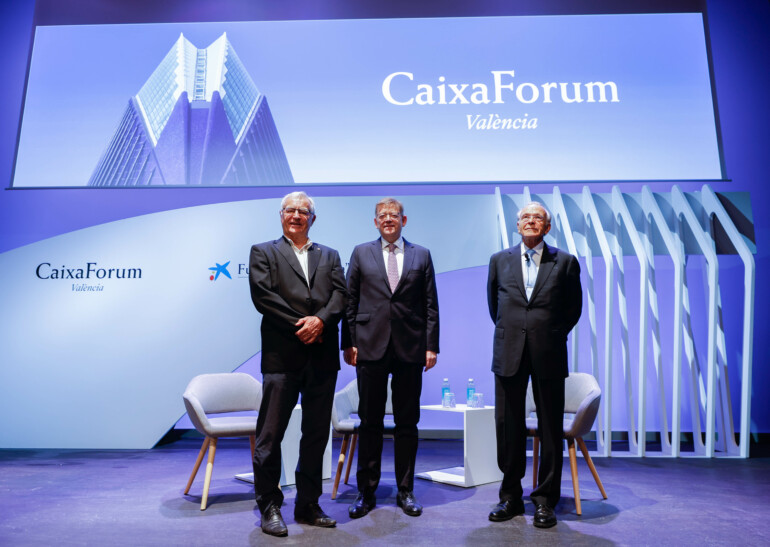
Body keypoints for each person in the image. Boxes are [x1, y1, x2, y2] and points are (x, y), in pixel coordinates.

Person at [249, 191, 347, 537]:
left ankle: (308, 505)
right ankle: (269, 506)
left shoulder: (330, 255)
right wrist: (303, 325)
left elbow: (340, 295)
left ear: (312, 219)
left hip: (322, 357)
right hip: (282, 357)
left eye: (302, 211)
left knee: (316, 435)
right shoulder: (263, 252)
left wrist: (320, 321)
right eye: (289, 210)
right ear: (281, 216)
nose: (295, 215)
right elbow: (264, 297)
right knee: (270, 435)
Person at [486, 201, 582, 529]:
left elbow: (573, 309)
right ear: (517, 226)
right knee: (507, 426)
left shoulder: (565, 261)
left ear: (547, 227)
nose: (530, 221)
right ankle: (510, 496)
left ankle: (545, 500)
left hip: (549, 352)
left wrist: (549, 333)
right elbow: (494, 306)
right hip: (508, 351)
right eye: (525, 217)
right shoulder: (499, 260)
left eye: (537, 217)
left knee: (550, 428)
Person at [342, 197, 439, 519]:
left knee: (407, 422)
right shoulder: (361, 252)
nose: (388, 219)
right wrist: (348, 342)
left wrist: (431, 346)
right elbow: (350, 301)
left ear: (403, 220)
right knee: (369, 421)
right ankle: (366, 492)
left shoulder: (421, 254)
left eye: (393, 215)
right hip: (369, 346)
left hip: (410, 347)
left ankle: (405, 490)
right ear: (375, 222)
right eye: (382, 215)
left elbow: (430, 304)